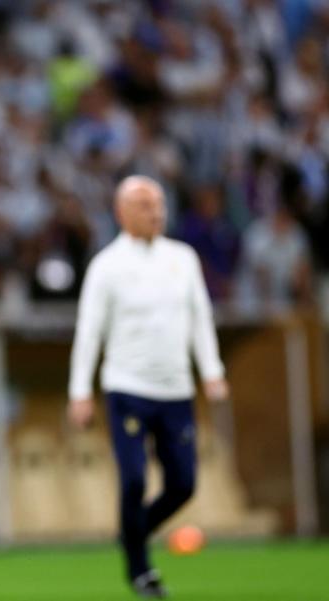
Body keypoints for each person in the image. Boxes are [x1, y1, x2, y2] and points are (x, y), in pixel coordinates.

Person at [68, 175, 229, 599]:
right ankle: (140, 570)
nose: (155, 211)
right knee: (135, 479)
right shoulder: (107, 265)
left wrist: (211, 371)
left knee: (183, 484)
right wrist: (80, 391)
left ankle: (132, 533)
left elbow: (200, 319)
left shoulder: (183, 258)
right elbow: (90, 332)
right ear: (121, 212)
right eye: (144, 203)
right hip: (127, 388)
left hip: (176, 389)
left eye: (158, 203)